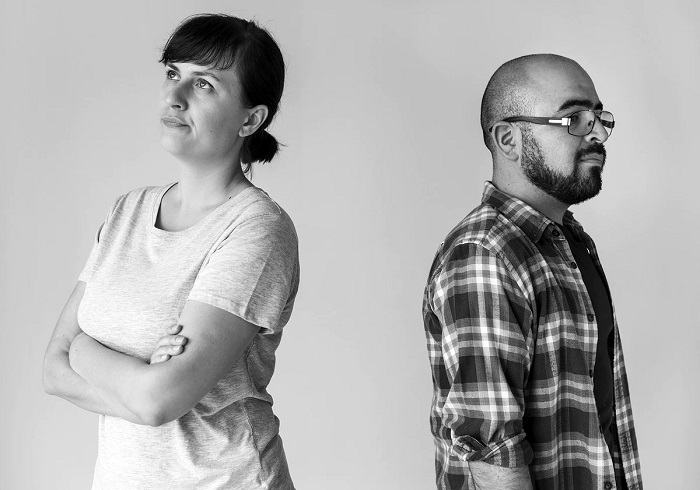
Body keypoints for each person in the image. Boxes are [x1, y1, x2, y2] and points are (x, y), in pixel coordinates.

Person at [42, 14, 299, 489]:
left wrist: (83, 349)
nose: (174, 97)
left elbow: (160, 399)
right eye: (172, 73)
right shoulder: (128, 211)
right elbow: (52, 370)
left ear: (250, 119)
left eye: (203, 84)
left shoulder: (257, 229)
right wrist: (137, 387)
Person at [422, 54, 642, 490]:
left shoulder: (569, 242)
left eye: (599, 118)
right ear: (509, 139)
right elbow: (494, 455)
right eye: (574, 119)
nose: (598, 134)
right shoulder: (485, 254)